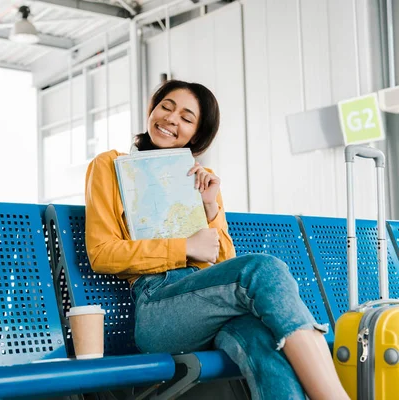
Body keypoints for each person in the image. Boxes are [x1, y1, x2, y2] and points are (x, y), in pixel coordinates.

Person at [84, 79, 349, 400]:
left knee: (261, 340)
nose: (171, 119)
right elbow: (102, 253)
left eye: (186, 117)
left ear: (197, 134)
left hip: (207, 302)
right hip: (157, 307)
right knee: (263, 269)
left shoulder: (200, 178)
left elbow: (222, 263)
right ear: (152, 110)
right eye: (166, 107)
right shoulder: (109, 165)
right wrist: (185, 248)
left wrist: (210, 206)